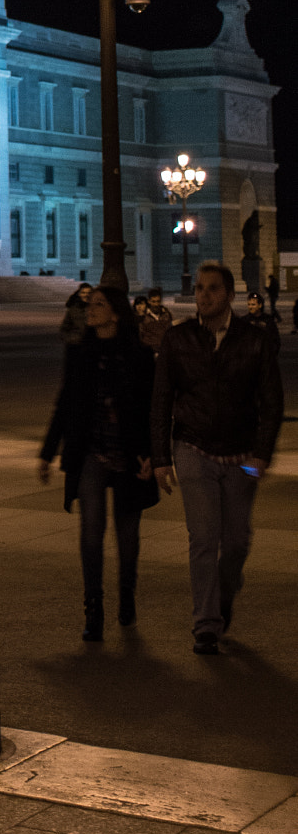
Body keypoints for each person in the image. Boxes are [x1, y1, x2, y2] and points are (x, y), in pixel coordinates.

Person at [152, 259, 284, 654]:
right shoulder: (178, 341)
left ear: (228, 295)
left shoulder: (254, 340)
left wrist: (261, 454)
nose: (203, 296)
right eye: (200, 290)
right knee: (205, 538)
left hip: (242, 457)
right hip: (193, 449)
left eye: (212, 289)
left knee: (238, 541)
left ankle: (224, 596)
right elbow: (161, 401)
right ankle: (206, 624)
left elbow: (272, 402)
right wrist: (161, 457)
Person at [39, 286, 158, 639]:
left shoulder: (138, 355)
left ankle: (127, 593)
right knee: (91, 532)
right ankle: (93, 606)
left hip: (129, 453)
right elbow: (65, 403)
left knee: (128, 535)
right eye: (90, 304)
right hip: (91, 451)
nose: (91, 309)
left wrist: (153, 454)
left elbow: (153, 408)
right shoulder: (79, 353)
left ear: (116, 313)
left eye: (99, 304)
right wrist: (48, 452)